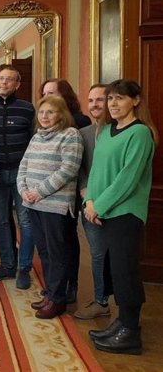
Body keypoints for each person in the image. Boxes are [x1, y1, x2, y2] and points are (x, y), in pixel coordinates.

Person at [85, 80, 157, 355]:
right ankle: (121, 323)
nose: (113, 104)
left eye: (119, 99)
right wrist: (90, 200)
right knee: (114, 269)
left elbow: (127, 179)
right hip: (103, 210)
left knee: (126, 271)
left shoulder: (140, 133)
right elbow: (96, 170)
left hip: (126, 213)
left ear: (135, 100)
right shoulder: (107, 131)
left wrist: (98, 206)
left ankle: (130, 332)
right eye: (110, 99)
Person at [18, 96, 83, 319]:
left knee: (57, 253)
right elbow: (23, 165)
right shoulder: (37, 136)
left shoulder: (70, 135)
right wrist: (23, 190)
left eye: (50, 112)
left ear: (61, 114)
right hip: (34, 203)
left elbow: (68, 170)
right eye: (42, 112)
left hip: (55, 206)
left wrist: (39, 191)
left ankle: (58, 299)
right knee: (44, 251)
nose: (44, 116)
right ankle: (50, 293)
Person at [0, 64, 36, 290]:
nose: (4, 83)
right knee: (2, 220)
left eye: (9, 79)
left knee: (25, 221)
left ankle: (24, 268)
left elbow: (34, 141)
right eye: (1, 79)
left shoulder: (27, 109)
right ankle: (7, 265)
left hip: (22, 174)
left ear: (17, 84)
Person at [40, 78, 90, 301]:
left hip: (68, 191)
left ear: (65, 95)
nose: (48, 96)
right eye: (44, 93)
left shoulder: (79, 122)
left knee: (66, 240)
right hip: (44, 192)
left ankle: (69, 285)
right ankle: (54, 287)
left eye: (52, 92)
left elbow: (74, 164)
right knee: (49, 244)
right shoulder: (44, 122)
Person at [73, 84, 111, 320]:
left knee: (118, 255)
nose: (95, 105)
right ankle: (101, 301)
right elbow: (81, 169)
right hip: (90, 205)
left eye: (101, 100)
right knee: (97, 253)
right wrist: (88, 199)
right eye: (91, 100)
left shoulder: (123, 132)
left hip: (117, 203)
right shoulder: (83, 133)